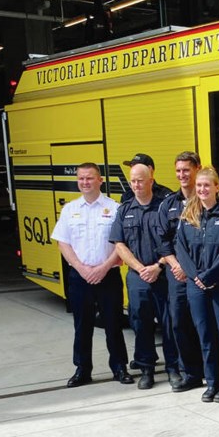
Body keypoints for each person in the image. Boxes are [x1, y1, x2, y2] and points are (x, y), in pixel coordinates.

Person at [51, 162, 131, 387]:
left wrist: (103, 268)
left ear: (100, 181)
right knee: (82, 326)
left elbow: (120, 244)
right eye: (81, 179)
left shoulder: (115, 209)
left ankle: (119, 368)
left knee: (113, 324)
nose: (85, 182)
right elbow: (63, 243)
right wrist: (81, 268)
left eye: (89, 178)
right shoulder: (70, 209)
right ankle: (82, 370)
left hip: (108, 275)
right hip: (80, 277)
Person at [109, 159, 179, 390]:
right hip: (138, 277)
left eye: (141, 180)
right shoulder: (125, 210)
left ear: (151, 180)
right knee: (141, 323)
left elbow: (174, 240)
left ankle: (173, 369)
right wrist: (140, 269)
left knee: (170, 323)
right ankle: (146, 369)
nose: (136, 185)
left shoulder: (165, 206)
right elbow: (119, 244)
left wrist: (158, 265)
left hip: (163, 273)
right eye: (133, 181)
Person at [175, 166, 219, 403]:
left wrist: (210, 276)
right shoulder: (188, 217)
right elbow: (180, 249)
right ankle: (212, 383)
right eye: (199, 186)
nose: (202, 189)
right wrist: (196, 276)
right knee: (205, 335)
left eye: (207, 185)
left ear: (216, 187)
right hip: (196, 285)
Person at [156, 151, 205, 392]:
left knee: (206, 324)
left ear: (198, 169)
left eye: (186, 169)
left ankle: (213, 372)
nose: (182, 175)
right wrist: (176, 266)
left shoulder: (210, 197)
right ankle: (191, 373)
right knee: (179, 323)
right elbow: (163, 241)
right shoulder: (168, 204)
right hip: (177, 275)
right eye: (178, 171)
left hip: (202, 274)